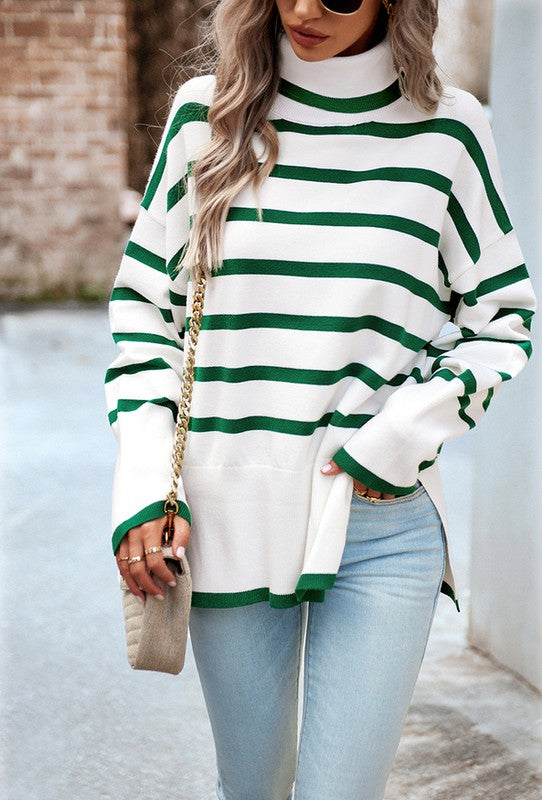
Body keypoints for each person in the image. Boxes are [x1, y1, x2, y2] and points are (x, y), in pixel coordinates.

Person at [106, 1, 537, 797]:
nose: (305, 9)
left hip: (379, 520)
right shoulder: (208, 115)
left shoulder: (450, 131)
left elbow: (503, 319)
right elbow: (145, 310)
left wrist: (399, 437)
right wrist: (144, 478)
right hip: (227, 508)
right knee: (254, 788)